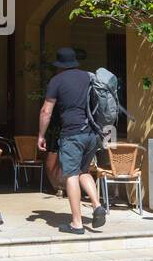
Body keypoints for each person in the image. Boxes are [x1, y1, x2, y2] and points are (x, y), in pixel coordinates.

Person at [38, 47, 108, 234]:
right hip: (91, 133)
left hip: (72, 134)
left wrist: (41, 135)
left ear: (59, 65)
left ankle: (76, 223)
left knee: (71, 175)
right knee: (83, 171)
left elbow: (46, 111)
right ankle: (96, 205)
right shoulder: (88, 76)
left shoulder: (57, 80)